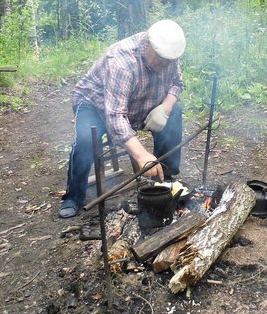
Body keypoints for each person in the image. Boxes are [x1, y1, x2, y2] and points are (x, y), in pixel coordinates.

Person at [58, 19, 186, 219]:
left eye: (169, 62)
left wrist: (165, 109)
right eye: (161, 60)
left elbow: (177, 83)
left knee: (175, 113)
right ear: (147, 45)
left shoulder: (167, 53)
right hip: (97, 106)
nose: (165, 65)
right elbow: (115, 115)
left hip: (141, 102)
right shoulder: (122, 62)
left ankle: (165, 178)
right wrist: (142, 155)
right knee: (86, 139)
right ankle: (73, 196)